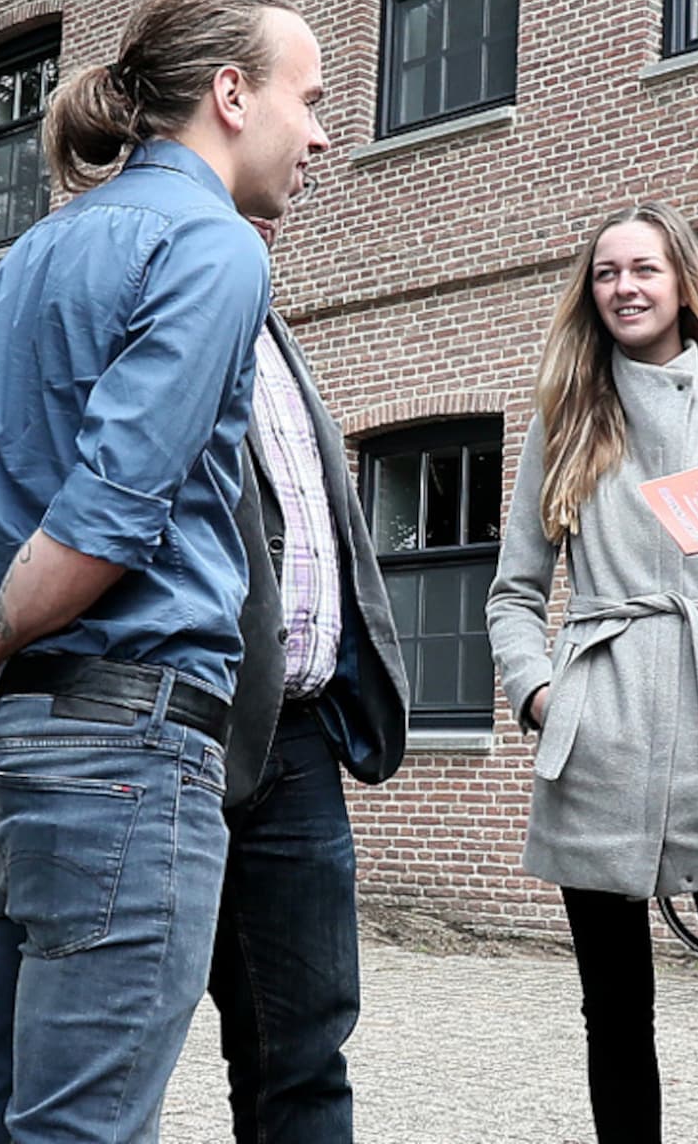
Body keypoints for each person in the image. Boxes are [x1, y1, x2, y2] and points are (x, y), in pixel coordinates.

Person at [0, 0, 330, 1144]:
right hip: (127, 755)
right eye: (306, 96)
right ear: (231, 92)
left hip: (7, 762)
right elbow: (110, 515)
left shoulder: (23, 260)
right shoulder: (216, 246)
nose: (318, 132)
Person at [486, 203, 698, 1144]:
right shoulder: (567, 415)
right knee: (615, 1017)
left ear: (681, 281)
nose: (625, 287)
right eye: (606, 274)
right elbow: (513, 593)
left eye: (644, 269)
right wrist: (547, 696)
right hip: (601, 729)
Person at [208, 206, 411, 1144]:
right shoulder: (161, 324)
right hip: (180, 735)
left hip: (298, 738)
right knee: (122, 1039)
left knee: (304, 1042)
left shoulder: (279, 339)